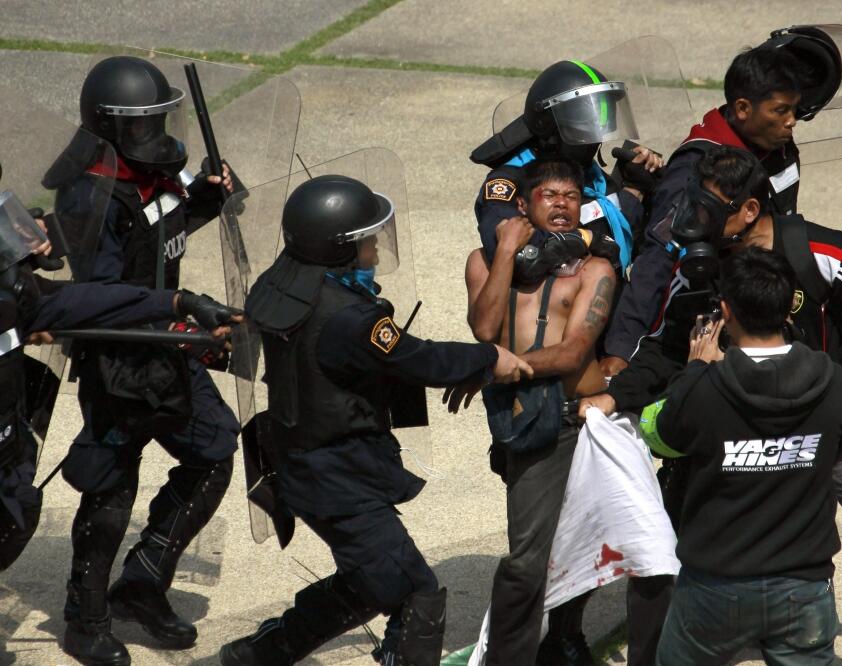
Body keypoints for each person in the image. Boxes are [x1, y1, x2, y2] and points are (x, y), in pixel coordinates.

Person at [585, 146, 842, 666]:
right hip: (736, 428)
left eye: (711, 206)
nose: (695, 218)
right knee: (676, 546)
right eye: (695, 203)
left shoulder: (822, 253)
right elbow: (662, 346)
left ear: (748, 210)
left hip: (829, 423)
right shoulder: (698, 267)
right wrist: (616, 395)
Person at [219, 174, 532, 666]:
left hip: (298, 457)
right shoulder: (350, 317)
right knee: (414, 591)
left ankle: (259, 654)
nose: (376, 250)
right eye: (367, 240)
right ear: (341, 250)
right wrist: (489, 358)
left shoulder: (280, 282)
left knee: (370, 579)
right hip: (337, 473)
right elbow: (419, 360)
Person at [55, 55, 244, 666]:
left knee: (214, 449)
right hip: (122, 363)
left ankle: (144, 578)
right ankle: (84, 620)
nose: (155, 137)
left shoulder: (154, 175)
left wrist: (207, 199)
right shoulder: (91, 194)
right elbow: (105, 294)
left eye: (160, 121)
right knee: (113, 487)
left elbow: (165, 227)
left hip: (173, 346)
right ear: (109, 128)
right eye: (141, 126)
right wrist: (181, 306)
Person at [639, 247, 842, 665]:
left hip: (713, 588)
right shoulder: (833, 381)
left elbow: (657, 437)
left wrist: (693, 371)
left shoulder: (702, 388)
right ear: (789, 308)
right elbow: (841, 448)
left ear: (725, 310)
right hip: (804, 584)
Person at [0, 206, 240, 578]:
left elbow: (82, 301)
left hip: (8, 438)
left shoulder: (12, 289)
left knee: (15, 514)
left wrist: (179, 302)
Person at [462, 158, 616, 665]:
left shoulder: (595, 269)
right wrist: (507, 248)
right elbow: (485, 330)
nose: (562, 205)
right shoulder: (483, 261)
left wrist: (503, 367)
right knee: (528, 558)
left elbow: (574, 354)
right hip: (530, 418)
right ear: (523, 205)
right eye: (549, 195)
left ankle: (564, 639)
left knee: (599, 547)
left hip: (586, 421)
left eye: (571, 197)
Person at [606, 36, 819, 371]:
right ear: (743, 109)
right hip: (707, 329)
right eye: (780, 111)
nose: (792, 121)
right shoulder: (697, 168)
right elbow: (658, 260)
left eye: (794, 109)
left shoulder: (779, 149)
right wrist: (621, 353)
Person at [471, 59, 661, 300]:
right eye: (584, 132)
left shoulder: (590, 175)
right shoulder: (510, 182)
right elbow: (521, 257)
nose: (593, 142)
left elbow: (616, 236)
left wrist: (635, 187)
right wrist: (584, 239)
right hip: (550, 320)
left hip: (607, 303)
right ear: (550, 128)